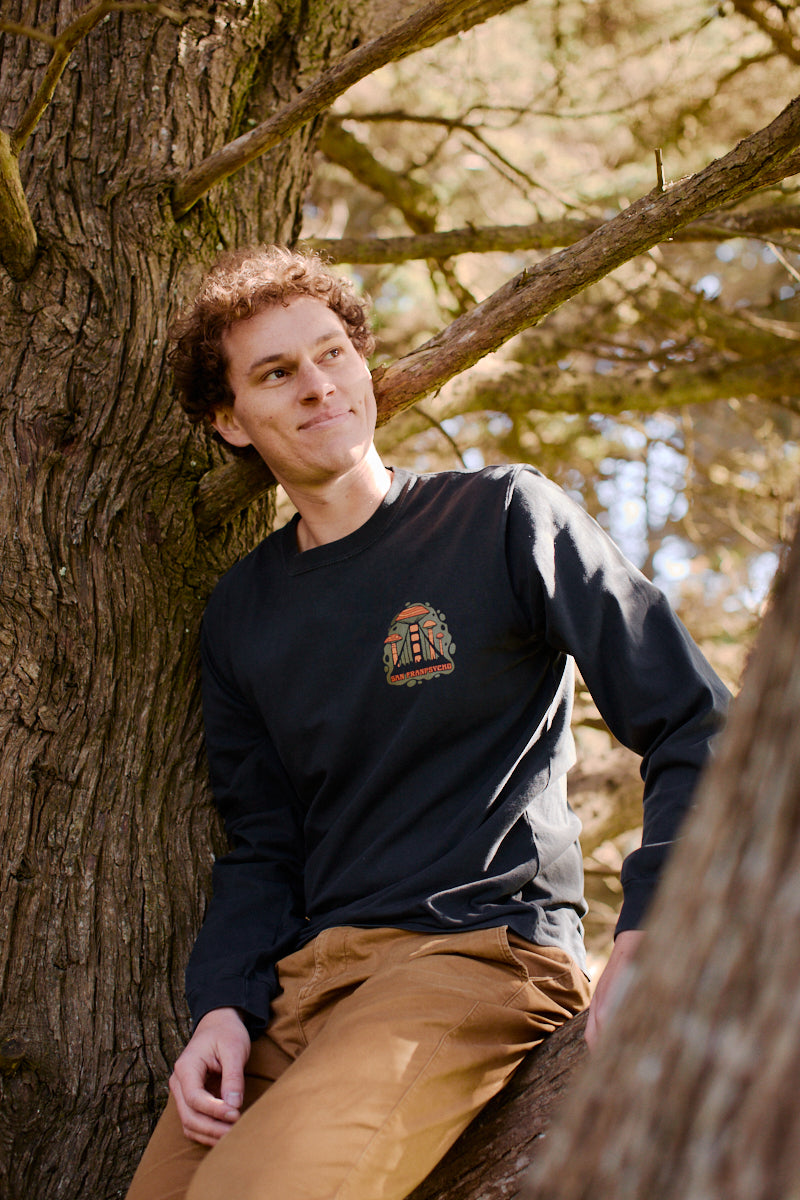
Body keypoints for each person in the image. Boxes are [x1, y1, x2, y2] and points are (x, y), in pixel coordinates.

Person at [126, 245, 729, 1200]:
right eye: (276, 373)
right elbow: (263, 843)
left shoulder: (502, 519)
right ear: (228, 419)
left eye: (332, 353)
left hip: (477, 955)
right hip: (301, 996)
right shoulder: (242, 611)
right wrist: (223, 1006)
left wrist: (658, 926)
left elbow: (696, 722)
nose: (318, 385)